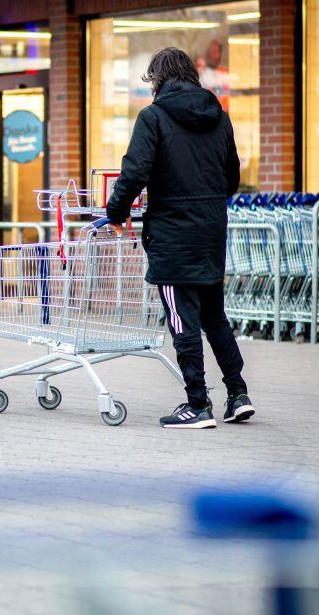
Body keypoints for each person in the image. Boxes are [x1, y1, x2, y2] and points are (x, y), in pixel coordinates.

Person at [105, 47, 254, 429]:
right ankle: (238, 395)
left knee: (181, 319)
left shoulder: (153, 117)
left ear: (157, 79)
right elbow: (232, 179)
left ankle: (197, 404)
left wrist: (115, 214)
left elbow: (134, 172)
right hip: (210, 231)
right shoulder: (219, 117)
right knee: (213, 316)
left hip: (172, 234)